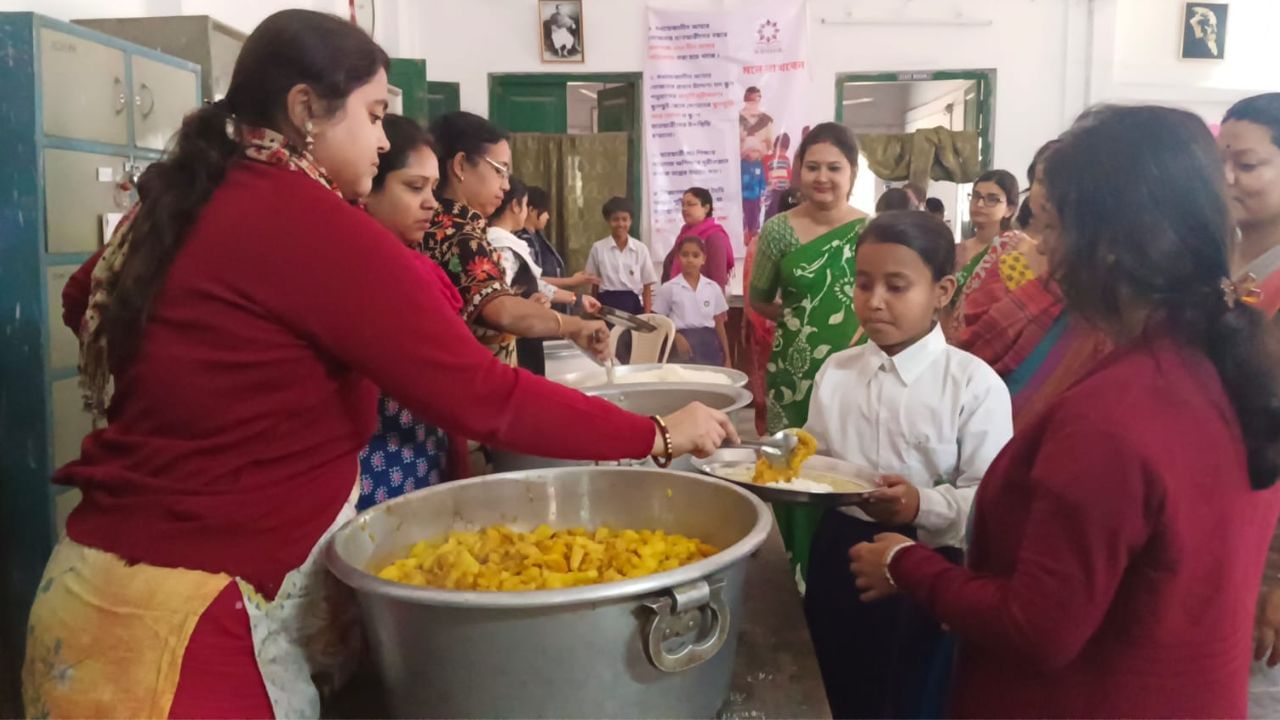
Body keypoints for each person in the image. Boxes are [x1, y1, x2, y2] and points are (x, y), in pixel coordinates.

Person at [24, 12, 736, 718]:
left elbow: (85, 297)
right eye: (372, 115)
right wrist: (657, 436)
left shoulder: (189, 197)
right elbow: (485, 396)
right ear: (306, 109)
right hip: (183, 637)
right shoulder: (308, 224)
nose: (383, 138)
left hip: (95, 588)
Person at [850, 105, 1280, 718]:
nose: (1041, 253)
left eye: (1051, 227)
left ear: (1106, 245)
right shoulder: (1224, 361)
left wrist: (907, 563)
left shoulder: (1117, 415)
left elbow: (1039, 628)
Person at [804, 211, 1012, 719]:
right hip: (839, 551)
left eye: (896, 286)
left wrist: (922, 504)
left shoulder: (972, 385)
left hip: (926, 563)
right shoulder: (836, 371)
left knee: (911, 694)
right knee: (834, 682)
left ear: (942, 291)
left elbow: (991, 499)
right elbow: (814, 459)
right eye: (863, 283)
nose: (874, 301)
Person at [748, 122, 870, 581]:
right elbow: (760, 299)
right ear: (797, 172)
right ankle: (785, 575)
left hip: (857, 375)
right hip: (791, 378)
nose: (823, 177)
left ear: (852, 173)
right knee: (784, 475)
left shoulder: (871, 230)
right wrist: (804, 323)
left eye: (834, 168)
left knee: (845, 469)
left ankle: (839, 574)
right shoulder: (778, 231)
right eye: (812, 166)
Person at [424, 111, 602, 368]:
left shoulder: (454, 225)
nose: (506, 186)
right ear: (461, 165)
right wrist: (574, 326)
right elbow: (502, 312)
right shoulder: (456, 231)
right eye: (500, 171)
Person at [1217, 93, 1280, 719]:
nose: (1229, 179)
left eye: (1249, 164)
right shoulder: (1217, 267)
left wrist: (1277, 578)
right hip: (1213, 522)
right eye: (1220, 163)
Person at [487, 177, 602, 374]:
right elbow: (500, 302)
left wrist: (576, 298)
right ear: (516, 206)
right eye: (524, 204)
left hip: (525, 335)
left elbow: (536, 285)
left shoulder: (509, 244)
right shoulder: (501, 247)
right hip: (514, 344)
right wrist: (532, 308)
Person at [655, 236, 732, 367]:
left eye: (695, 255)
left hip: (708, 344)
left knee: (709, 384)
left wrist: (727, 357)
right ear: (678, 258)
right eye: (685, 255)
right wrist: (676, 337)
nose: (690, 259)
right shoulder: (669, 288)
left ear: (703, 259)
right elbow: (659, 322)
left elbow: (719, 324)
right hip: (681, 345)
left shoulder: (712, 288)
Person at [585, 196, 657, 315]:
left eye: (624, 219)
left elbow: (647, 285)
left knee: (631, 334)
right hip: (606, 304)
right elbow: (593, 284)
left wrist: (647, 314)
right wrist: (593, 312)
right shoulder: (598, 248)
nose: (620, 224)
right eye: (615, 219)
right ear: (608, 220)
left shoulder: (640, 249)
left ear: (631, 221)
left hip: (632, 304)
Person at [660, 187, 733, 291]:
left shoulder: (715, 237)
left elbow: (718, 281)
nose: (684, 209)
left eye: (690, 204)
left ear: (706, 208)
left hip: (701, 303)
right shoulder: (684, 234)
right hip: (676, 300)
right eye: (683, 205)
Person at [955, 169, 1019, 288]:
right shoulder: (956, 251)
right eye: (976, 196)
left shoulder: (1013, 252)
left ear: (1009, 209)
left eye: (992, 199)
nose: (979, 204)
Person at [740, 86, 774, 245]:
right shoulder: (737, 119)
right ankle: (745, 232)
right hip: (742, 166)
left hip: (757, 167)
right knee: (742, 205)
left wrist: (757, 149)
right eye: (751, 99)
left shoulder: (766, 120)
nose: (754, 102)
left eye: (757, 99)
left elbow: (769, 144)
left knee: (756, 205)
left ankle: (753, 232)